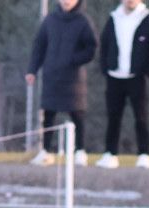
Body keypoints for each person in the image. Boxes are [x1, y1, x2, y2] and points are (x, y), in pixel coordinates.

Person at [26, 0, 99, 166]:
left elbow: (92, 48)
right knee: (49, 114)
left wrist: (73, 60)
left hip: (73, 78)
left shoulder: (83, 21)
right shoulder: (50, 20)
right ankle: (45, 151)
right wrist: (32, 70)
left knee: (77, 114)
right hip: (51, 76)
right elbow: (39, 45)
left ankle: (80, 151)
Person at [96, 0, 149, 169]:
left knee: (141, 117)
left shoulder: (147, 19)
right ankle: (110, 153)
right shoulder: (114, 18)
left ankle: (144, 154)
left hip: (136, 78)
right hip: (114, 76)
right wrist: (105, 67)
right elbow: (104, 44)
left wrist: (147, 71)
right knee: (113, 117)